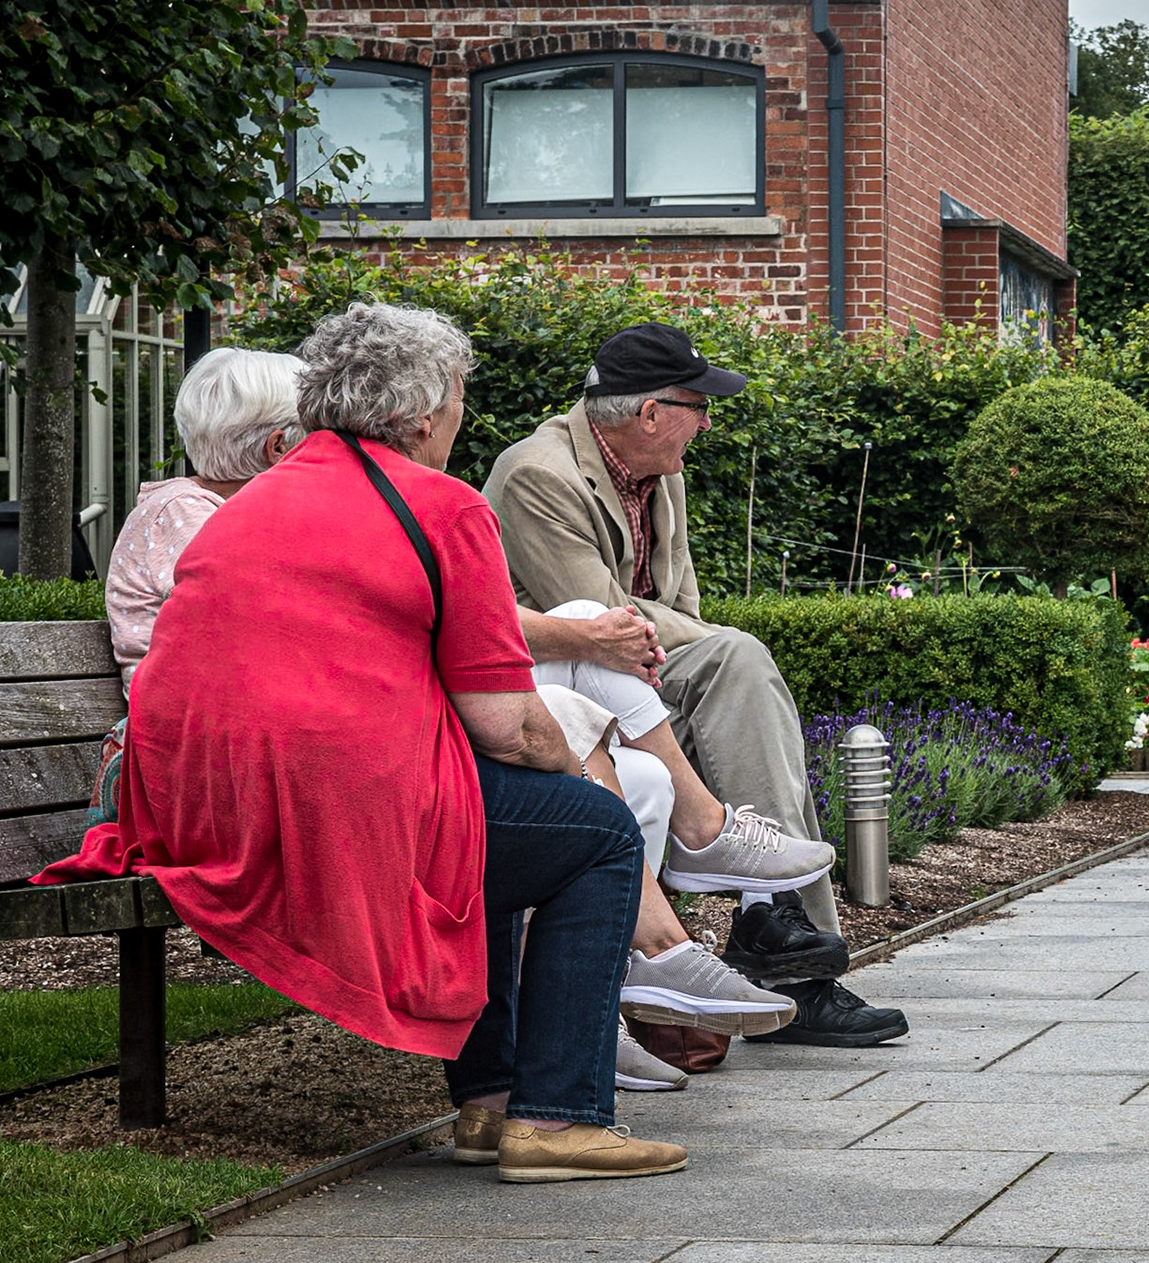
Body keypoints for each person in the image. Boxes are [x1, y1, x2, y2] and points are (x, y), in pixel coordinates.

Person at [37, 303, 687, 1182]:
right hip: (322, 809)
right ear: (425, 413)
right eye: (459, 397)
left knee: (493, 821)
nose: (460, 415)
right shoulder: (442, 505)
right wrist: (582, 774)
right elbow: (507, 722)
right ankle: (561, 1118)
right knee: (592, 833)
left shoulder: (249, 500)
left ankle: (491, 1103)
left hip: (198, 808)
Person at [484, 322, 908, 1047]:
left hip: (635, 677)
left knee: (738, 668)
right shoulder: (537, 475)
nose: (708, 422)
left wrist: (699, 644)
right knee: (737, 658)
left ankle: (777, 936)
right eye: (699, 404)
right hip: (554, 687)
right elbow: (596, 619)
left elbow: (677, 611)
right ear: (650, 413)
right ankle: (778, 937)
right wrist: (709, 647)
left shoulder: (662, 473)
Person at [105, 348, 306, 694]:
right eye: (315, 437)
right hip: (183, 721)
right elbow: (259, 618)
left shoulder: (216, 509)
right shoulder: (181, 513)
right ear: (278, 447)